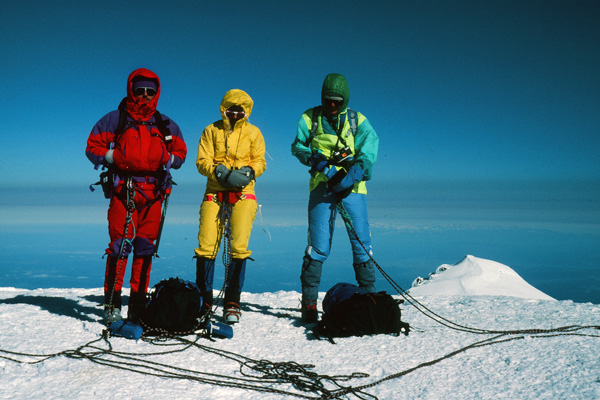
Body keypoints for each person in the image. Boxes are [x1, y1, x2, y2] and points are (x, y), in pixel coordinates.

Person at [86, 68, 187, 324]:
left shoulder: (165, 124)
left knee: (144, 249)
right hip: (124, 191)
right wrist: (110, 157)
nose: (144, 95)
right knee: (120, 247)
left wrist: (169, 158)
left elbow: (181, 154)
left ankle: (137, 306)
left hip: (154, 194)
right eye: (139, 90)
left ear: (156, 94)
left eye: (149, 91)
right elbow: (92, 146)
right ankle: (112, 303)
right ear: (131, 90)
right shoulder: (115, 119)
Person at [291, 73, 379, 323]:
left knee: (361, 244)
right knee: (317, 246)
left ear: (345, 100)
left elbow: (368, 151)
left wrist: (351, 174)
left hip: (353, 188)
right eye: (329, 100)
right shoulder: (310, 117)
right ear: (323, 98)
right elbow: (298, 146)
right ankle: (308, 304)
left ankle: (370, 298)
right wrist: (318, 161)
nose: (332, 105)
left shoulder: (356, 120)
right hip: (322, 185)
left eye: (337, 102)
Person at [194, 89, 266, 324]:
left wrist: (250, 171)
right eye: (231, 108)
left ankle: (232, 302)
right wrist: (219, 171)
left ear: (246, 111)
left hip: (244, 192)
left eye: (240, 109)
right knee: (206, 243)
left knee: (239, 245)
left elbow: (260, 160)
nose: (235, 113)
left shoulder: (254, 133)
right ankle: (204, 301)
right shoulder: (211, 130)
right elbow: (202, 160)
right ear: (224, 109)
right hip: (215, 190)